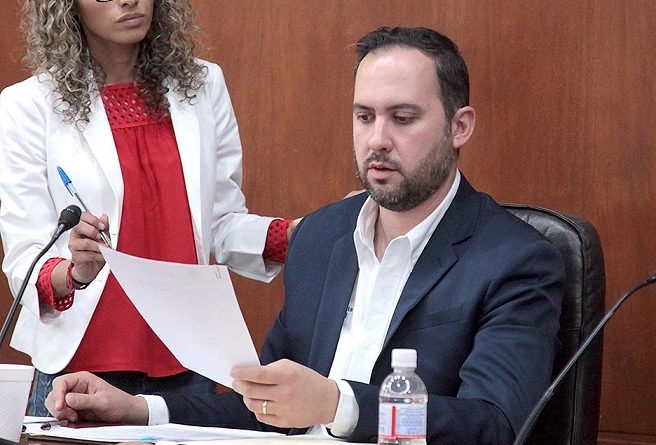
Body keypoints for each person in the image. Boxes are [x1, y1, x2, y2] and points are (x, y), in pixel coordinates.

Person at [45, 26, 565, 444]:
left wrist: (339, 406)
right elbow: (262, 402)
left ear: (460, 127)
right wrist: (137, 409)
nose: (378, 140)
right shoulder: (321, 237)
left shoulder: (515, 260)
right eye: (365, 117)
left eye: (403, 118)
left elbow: (493, 425)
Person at [0, 0, 296, 416]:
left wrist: (304, 235)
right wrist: (76, 270)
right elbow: (26, 258)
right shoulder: (27, 105)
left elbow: (221, 223)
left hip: (190, 359)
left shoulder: (204, 84)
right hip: (81, 367)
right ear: (67, 8)